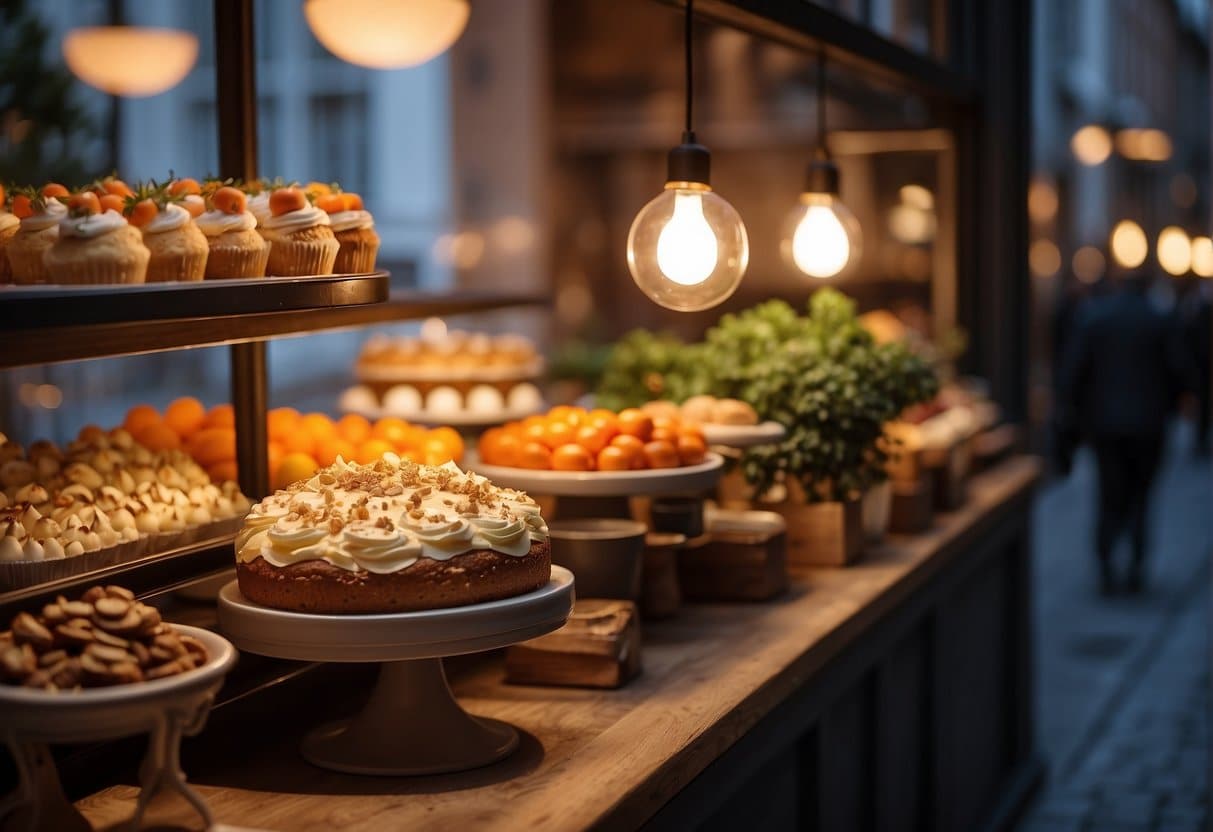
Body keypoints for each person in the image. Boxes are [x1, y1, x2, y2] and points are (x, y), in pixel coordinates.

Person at [1057, 272, 1192, 593]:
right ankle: (1135, 566)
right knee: (1141, 497)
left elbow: (1072, 374)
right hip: (1148, 425)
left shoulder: (1097, 319)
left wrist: (1076, 416)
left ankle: (1106, 563)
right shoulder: (1157, 320)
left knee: (1108, 494)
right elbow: (1180, 371)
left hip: (1106, 426)